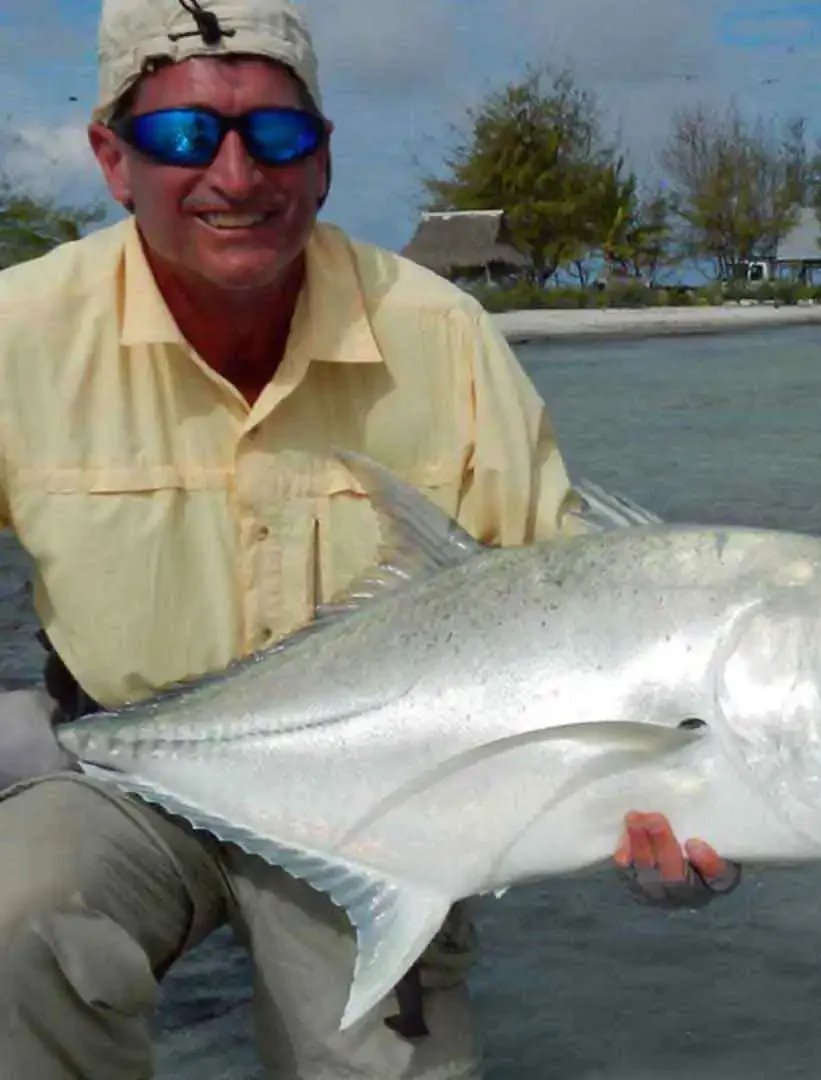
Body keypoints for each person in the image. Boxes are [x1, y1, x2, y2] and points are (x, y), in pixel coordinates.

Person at [0, 3, 733, 1077]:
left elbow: (590, 604)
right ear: (114, 158)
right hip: (128, 767)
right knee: (15, 915)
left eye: (278, 135)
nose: (237, 176)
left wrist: (692, 789)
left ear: (327, 157)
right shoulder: (18, 334)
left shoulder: (441, 336)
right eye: (184, 137)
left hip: (387, 791)